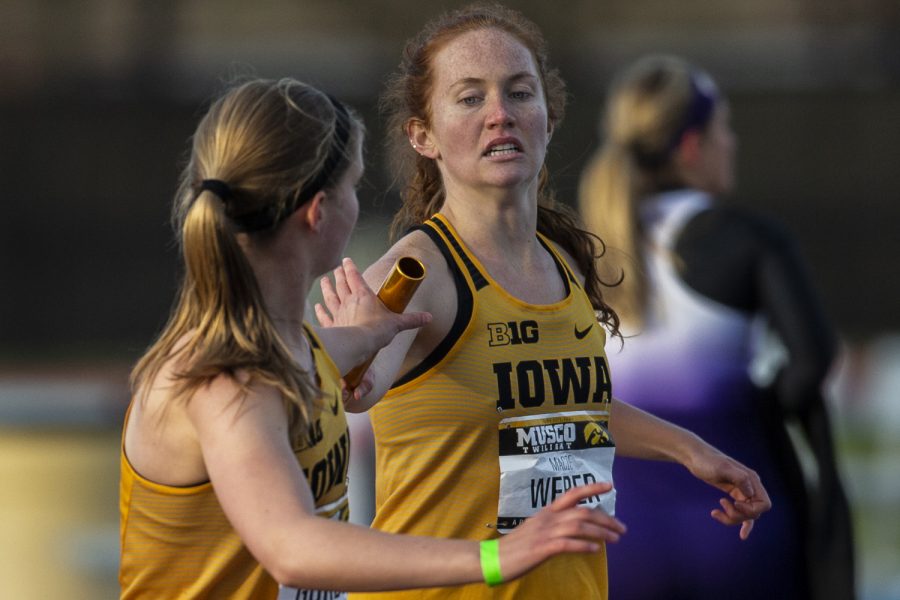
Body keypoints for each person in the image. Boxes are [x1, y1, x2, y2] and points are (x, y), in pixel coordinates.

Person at [314, 5, 772, 599]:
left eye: (519, 93)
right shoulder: (419, 269)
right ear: (423, 135)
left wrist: (693, 451)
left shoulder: (564, 261)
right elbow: (359, 390)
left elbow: (570, 411)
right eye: (470, 98)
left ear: (549, 119)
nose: (500, 115)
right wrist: (354, 359)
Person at [118, 77, 628, 600]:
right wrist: (501, 555)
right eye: (354, 189)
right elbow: (292, 548)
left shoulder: (292, 352)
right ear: (319, 213)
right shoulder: (226, 381)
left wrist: (369, 336)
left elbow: (335, 363)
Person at [578, 54, 856, 600]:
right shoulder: (748, 236)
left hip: (615, 536)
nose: (732, 143)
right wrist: (760, 407)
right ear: (691, 146)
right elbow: (813, 361)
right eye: (724, 128)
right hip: (737, 523)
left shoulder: (578, 246)